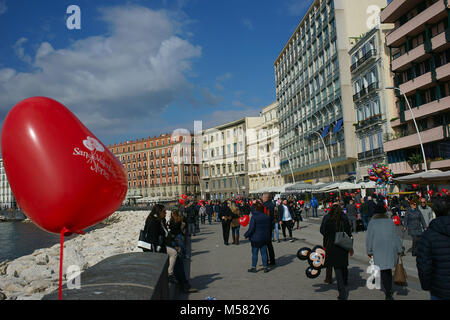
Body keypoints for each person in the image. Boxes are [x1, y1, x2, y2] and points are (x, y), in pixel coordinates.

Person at [366, 202, 403, 300]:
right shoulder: (390, 221)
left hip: (378, 249)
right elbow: (396, 236)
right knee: (388, 270)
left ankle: (388, 291)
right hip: (390, 248)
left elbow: (369, 238)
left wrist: (369, 250)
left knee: (383, 270)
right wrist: (399, 248)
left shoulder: (372, 222)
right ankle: (389, 290)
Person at [417, 199, 450, 300]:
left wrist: (426, 285)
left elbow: (424, 264)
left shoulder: (427, 236)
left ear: (434, 212)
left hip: (439, 288)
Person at [323, 204, 353, 300]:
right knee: (343, 265)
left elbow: (324, 233)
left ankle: (342, 292)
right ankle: (345, 281)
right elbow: (349, 233)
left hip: (332, 247)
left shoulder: (328, 221)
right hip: (343, 246)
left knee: (337, 270)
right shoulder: (344, 221)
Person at [142, 204, 179, 283]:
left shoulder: (155, 219)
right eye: (164, 211)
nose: (165, 213)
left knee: (174, 253)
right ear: (159, 212)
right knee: (174, 253)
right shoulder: (154, 222)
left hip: (156, 245)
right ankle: (170, 274)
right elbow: (155, 237)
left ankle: (170, 274)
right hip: (154, 247)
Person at [244, 201, 272, 273]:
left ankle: (254, 267)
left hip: (256, 238)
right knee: (264, 253)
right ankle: (265, 267)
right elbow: (269, 228)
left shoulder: (254, 217)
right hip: (264, 238)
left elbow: (251, 228)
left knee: (255, 253)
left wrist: (246, 235)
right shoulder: (266, 217)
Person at [262, 193, 277, 266]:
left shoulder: (265, 205)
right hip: (270, 226)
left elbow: (264, 216)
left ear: (265, 198)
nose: (262, 198)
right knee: (269, 244)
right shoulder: (272, 204)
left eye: (263, 197)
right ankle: (272, 260)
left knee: (264, 244)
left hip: (265, 227)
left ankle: (266, 260)